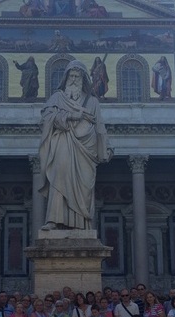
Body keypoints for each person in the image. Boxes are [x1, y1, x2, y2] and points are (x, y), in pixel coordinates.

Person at [39, 59, 112, 231]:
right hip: (62, 143)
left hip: (86, 150)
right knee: (58, 177)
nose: (73, 79)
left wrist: (106, 148)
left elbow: (100, 126)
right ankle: (53, 220)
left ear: (83, 80)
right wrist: (72, 116)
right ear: (65, 78)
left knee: (84, 186)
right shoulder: (57, 98)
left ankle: (82, 224)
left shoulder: (92, 102)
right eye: (71, 76)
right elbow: (46, 119)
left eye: (77, 76)